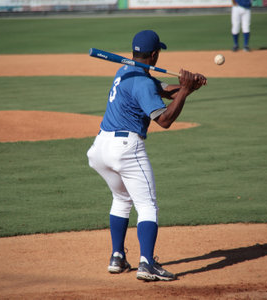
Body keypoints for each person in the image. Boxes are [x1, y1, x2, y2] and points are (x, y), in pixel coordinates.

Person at [87, 30, 207, 281]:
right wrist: (184, 91)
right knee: (147, 205)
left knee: (121, 199)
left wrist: (189, 87)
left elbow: (163, 90)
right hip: (126, 149)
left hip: (100, 148)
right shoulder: (142, 81)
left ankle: (117, 257)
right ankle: (147, 264)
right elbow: (164, 120)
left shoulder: (126, 72)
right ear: (154, 54)